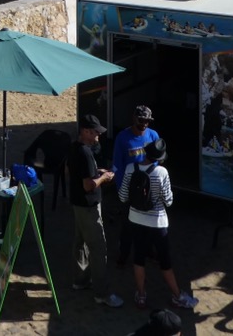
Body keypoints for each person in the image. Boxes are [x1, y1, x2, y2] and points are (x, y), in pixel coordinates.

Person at [118, 138, 198, 311]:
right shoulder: (162, 172)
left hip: (135, 219)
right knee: (164, 261)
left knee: (138, 258)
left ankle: (141, 295)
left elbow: (123, 196)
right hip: (157, 222)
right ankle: (177, 296)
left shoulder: (131, 168)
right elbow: (168, 201)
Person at [66, 113, 124, 308]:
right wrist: (104, 178)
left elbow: (72, 172)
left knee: (80, 242)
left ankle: (80, 280)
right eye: (95, 132)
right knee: (99, 249)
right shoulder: (85, 153)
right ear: (85, 132)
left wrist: (96, 172)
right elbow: (89, 185)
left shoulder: (74, 148)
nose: (98, 135)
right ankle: (102, 293)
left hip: (77, 205)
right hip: (89, 207)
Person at [111, 105, 160, 267]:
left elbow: (157, 162)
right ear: (134, 118)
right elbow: (117, 165)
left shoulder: (153, 135)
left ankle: (148, 250)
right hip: (130, 189)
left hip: (148, 189)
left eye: (147, 121)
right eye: (141, 120)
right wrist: (122, 190)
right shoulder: (122, 138)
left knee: (149, 223)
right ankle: (124, 254)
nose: (144, 124)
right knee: (128, 225)